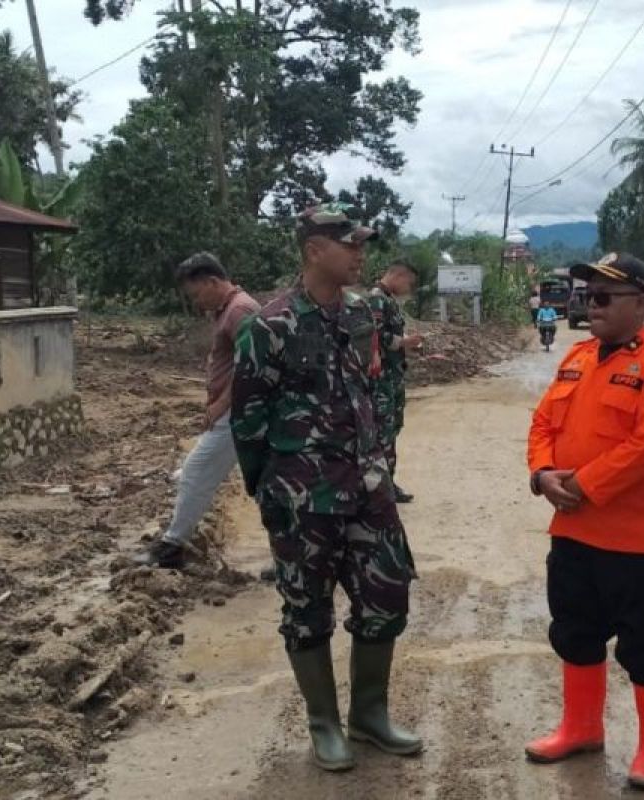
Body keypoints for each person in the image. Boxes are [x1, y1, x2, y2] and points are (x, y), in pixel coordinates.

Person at [231, 203, 421, 772]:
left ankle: (370, 715)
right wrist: (268, 490)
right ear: (315, 250)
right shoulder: (270, 326)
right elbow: (248, 420)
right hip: (303, 496)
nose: (361, 255)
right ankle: (324, 724)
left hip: (367, 486)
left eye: (363, 245)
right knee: (307, 610)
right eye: (351, 245)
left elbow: (373, 386)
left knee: (387, 597)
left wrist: (381, 457)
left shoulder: (362, 313)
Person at [525, 253, 644, 790]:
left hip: (635, 539)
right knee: (575, 632)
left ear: (640, 304)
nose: (588, 305)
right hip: (573, 534)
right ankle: (581, 728)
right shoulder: (575, 358)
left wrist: (581, 487)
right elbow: (544, 421)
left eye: (602, 298)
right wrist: (542, 473)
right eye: (587, 296)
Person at [134, 252, 260, 569]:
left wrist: (220, 404)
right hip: (236, 412)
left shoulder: (240, 310)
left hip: (239, 413)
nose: (196, 302)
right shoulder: (229, 309)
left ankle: (172, 546)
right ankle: (293, 557)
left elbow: (251, 365)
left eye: (196, 293)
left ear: (212, 282)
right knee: (265, 485)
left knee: (195, 472)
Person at [367, 261, 423, 504]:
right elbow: (374, 336)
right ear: (398, 276)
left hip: (392, 376)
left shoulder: (387, 299)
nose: (408, 289)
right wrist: (404, 342)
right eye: (408, 283)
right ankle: (380, 488)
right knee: (383, 433)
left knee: (392, 430)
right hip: (381, 380)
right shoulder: (376, 299)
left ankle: (387, 483)